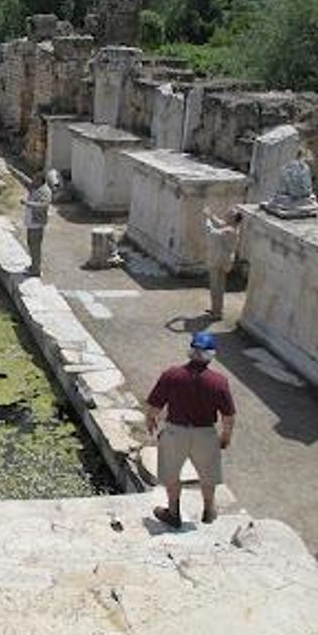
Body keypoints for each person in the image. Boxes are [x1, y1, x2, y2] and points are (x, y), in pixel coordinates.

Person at [146, 332, 236, 528]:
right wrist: (225, 436)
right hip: (205, 433)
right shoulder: (219, 381)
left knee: (171, 474)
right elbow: (228, 417)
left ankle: (173, 512)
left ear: (190, 351)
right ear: (211, 355)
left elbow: (154, 407)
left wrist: (150, 420)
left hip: (175, 432)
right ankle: (209, 510)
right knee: (207, 475)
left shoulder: (172, 375)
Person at [204, 207, 242, 320]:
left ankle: (216, 312)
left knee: (216, 286)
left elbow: (212, 232)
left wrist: (207, 220)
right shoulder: (231, 227)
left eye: (230, 214)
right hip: (224, 260)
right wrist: (211, 215)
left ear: (233, 219)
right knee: (219, 286)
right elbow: (220, 223)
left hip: (219, 260)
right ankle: (216, 309)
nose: (227, 214)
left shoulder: (229, 230)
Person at [23, 171, 51, 277]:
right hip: (31, 222)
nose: (33, 181)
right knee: (31, 245)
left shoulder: (45, 191)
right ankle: (33, 265)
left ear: (40, 180)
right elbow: (25, 181)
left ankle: (36, 270)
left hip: (37, 223)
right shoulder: (35, 187)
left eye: (35, 179)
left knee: (35, 247)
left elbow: (43, 205)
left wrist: (28, 203)